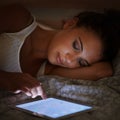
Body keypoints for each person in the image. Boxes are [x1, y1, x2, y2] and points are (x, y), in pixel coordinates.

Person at [0, 4, 120, 99]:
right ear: (70, 24)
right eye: (76, 46)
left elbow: (104, 71)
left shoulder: (50, 71)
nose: (69, 60)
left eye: (81, 62)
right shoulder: (18, 19)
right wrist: (6, 79)